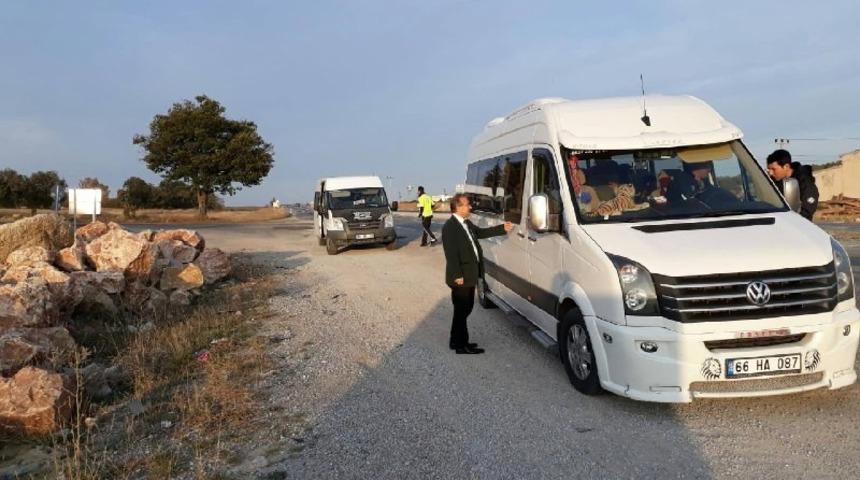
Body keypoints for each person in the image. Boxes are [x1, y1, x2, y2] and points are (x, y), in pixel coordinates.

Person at [442, 194, 514, 354]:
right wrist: (457, 275)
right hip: (461, 277)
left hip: (469, 274)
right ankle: (462, 345)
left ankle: (455, 342)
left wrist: (502, 228)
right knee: (463, 310)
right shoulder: (450, 227)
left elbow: (480, 233)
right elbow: (451, 254)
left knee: (463, 310)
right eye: (467, 205)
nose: (470, 207)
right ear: (458, 207)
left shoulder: (466, 223)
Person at [766, 149, 819, 220]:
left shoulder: (805, 183)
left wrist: (794, 221)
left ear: (786, 167)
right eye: (769, 169)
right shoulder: (774, 180)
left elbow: (807, 211)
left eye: (773, 169)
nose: (770, 173)